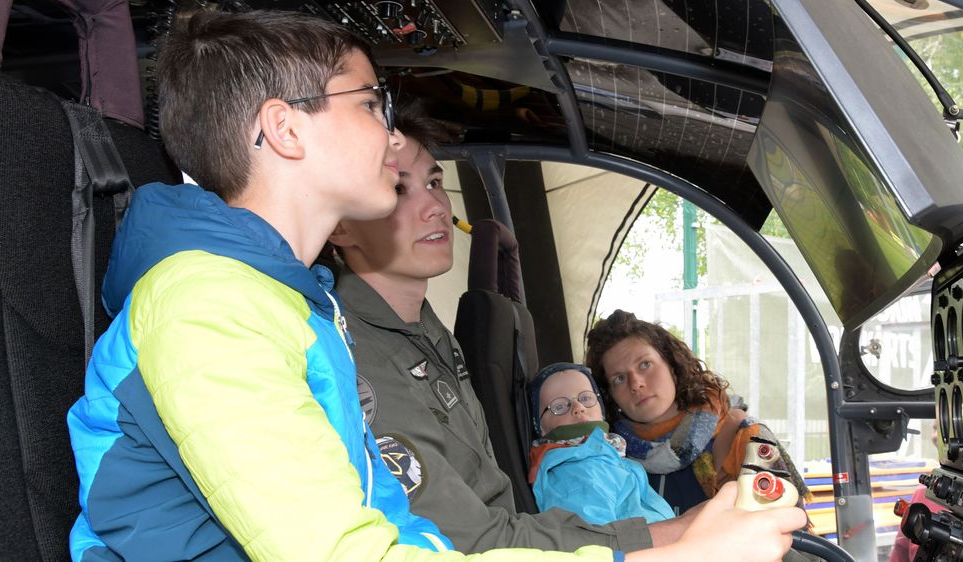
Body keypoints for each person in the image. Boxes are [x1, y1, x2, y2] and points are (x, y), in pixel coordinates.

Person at [65, 9, 804, 562]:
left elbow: (400, 528)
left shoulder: (292, 304)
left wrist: (662, 545)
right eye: (370, 104)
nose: (391, 135)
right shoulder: (206, 308)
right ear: (286, 131)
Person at [325, 103, 699, 553]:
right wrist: (665, 536)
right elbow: (467, 541)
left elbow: (498, 512)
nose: (435, 208)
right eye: (399, 189)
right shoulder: (357, 359)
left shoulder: (430, 333)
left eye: (434, 182)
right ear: (341, 225)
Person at [585, 309, 811, 514]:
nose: (635, 384)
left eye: (645, 364)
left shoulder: (739, 436)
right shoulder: (605, 455)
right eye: (619, 378)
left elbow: (786, 531)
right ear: (609, 395)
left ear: (672, 366)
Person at [526, 362, 676, 526]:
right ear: (540, 427)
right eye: (559, 406)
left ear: (601, 410)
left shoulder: (607, 458)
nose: (578, 407)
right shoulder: (572, 471)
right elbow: (596, 541)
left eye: (586, 398)